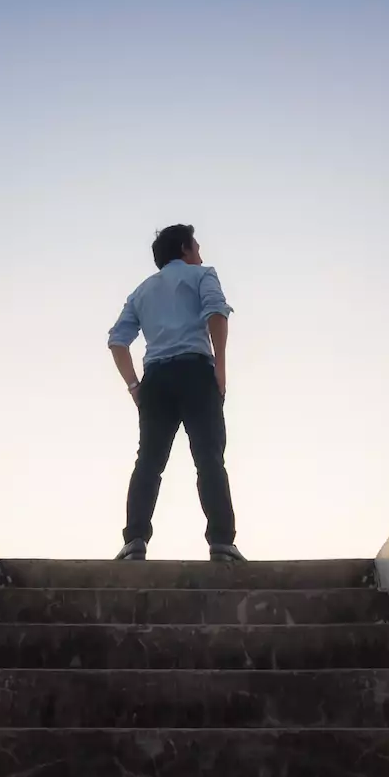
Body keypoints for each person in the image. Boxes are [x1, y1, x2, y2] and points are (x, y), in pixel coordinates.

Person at [107, 224, 245, 562]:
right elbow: (216, 313)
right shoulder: (202, 276)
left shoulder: (142, 291)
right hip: (195, 371)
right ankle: (222, 542)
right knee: (209, 459)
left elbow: (117, 340)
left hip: (155, 378)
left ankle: (134, 540)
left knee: (149, 462)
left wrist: (134, 386)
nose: (200, 254)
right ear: (185, 248)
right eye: (196, 246)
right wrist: (220, 368)